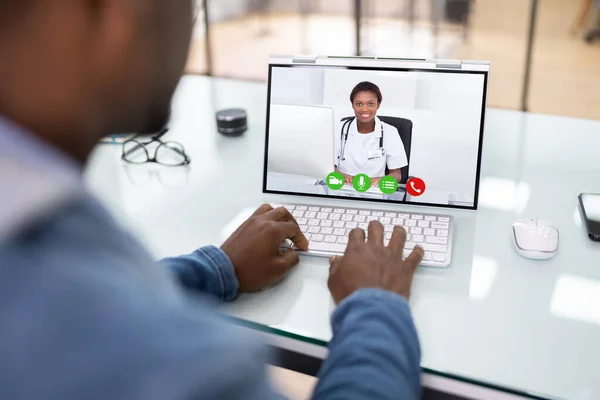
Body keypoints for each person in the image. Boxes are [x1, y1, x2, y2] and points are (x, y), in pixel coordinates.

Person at [0, 1, 424, 399]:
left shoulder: (42, 242)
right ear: (120, 13)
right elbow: (106, 323)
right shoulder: (182, 367)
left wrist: (214, 270)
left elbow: (88, 322)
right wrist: (375, 305)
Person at [335, 81, 409, 186]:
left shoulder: (390, 132)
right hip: (342, 189)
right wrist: (346, 177)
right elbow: (330, 167)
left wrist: (379, 180)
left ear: (378, 105)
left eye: (370, 104)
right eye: (359, 104)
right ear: (352, 105)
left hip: (375, 191)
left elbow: (397, 175)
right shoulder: (339, 129)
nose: (364, 109)